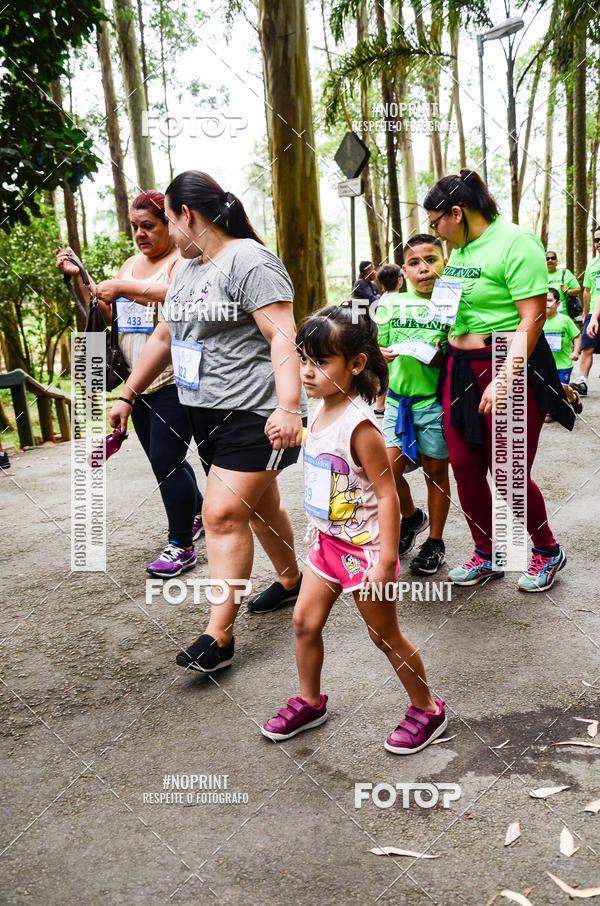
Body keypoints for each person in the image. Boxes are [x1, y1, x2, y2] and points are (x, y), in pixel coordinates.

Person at [109, 171, 305, 671]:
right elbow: (164, 338)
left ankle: (218, 636)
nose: (167, 234)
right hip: (206, 413)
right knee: (261, 508)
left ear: (186, 215)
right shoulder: (188, 269)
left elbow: (283, 336)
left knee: (219, 514)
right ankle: (291, 582)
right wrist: (128, 395)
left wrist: (289, 408)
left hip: (256, 414)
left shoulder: (250, 261)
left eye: (168, 221)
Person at [261, 305, 447, 753]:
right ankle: (310, 701)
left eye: (320, 362)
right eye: (304, 359)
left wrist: (386, 560)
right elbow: (328, 452)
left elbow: (386, 493)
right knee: (304, 622)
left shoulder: (361, 424)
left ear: (356, 364)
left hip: (364, 551)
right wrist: (298, 436)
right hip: (327, 543)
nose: (307, 371)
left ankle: (427, 709)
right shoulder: (321, 407)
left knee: (383, 636)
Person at [423, 169, 574, 593]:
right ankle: (487, 552)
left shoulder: (515, 242)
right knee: (465, 468)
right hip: (460, 368)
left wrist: (505, 377)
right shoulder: (459, 254)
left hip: (508, 361)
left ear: (457, 212)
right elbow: (449, 314)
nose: (434, 231)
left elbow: (533, 317)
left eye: (436, 222)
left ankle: (546, 550)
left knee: (508, 473)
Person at [56, 191, 204, 578]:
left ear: (169, 225)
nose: (140, 234)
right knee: (164, 460)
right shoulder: (129, 264)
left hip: (174, 381)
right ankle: (199, 512)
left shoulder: (180, 262)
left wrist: (124, 287)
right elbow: (108, 311)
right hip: (136, 385)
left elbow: (177, 299)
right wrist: (83, 279)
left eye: (149, 226)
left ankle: (181, 545)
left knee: (166, 460)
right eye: (135, 227)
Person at [376, 235, 450, 576]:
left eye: (432, 259)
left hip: (433, 404)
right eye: (416, 263)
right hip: (396, 402)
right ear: (404, 270)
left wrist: (441, 355)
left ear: (443, 261)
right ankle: (411, 517)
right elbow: (377, 346)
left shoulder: (450, 303)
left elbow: (454, 354)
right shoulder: (390, 304)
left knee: (436, 472)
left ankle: (434, 541)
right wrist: (380, 353)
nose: (425, 269)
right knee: (387, 471)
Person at [373, 263, 404, 416]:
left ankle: (380, 406)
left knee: (385, 376)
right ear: (399, 280)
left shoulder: (383, 298)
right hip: (393, 346)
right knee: (389, 377)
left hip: (384, 344)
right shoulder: (399, 300)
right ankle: (381, 406)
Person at [574, 226, 600, 396]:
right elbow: (587, 291)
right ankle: (583, 381)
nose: (598, 243)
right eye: (596, 240)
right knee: (587, 347)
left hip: (596, 315)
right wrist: (586, 313)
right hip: (593, 314)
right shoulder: (592, 264)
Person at [543, 287, 581, 385]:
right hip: (544, 365)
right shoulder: (537, 321)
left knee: (562, 390)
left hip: (563, 365)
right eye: (543, 300)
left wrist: (576, 352)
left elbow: (577, 335)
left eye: (549, 300)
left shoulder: (565, 320)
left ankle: (573, 397)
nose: (546, 303)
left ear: (558, 303)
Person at [545, 249, 581, 317]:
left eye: (553, 258)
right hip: (546, 315)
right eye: (547, 259)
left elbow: (578, 290)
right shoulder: (541, 275)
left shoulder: (565, 273)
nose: (550, 260)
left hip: (563, 315)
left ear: (557, 260)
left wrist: (568, 291)